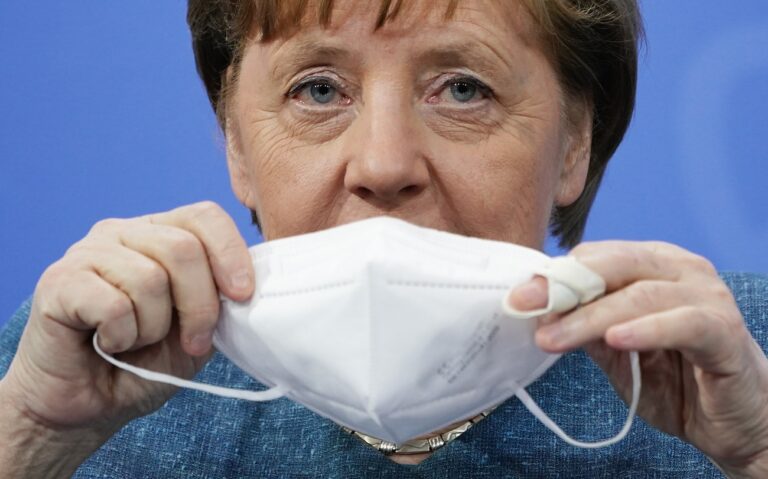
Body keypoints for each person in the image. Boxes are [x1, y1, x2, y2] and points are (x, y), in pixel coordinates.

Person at [1, 0, 766, 477]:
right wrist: (31, 440)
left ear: (574, 143)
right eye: (319, 90)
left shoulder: (736, 358)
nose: (384, 163)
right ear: (237, 146)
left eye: (464, 89)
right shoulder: (72, 364)